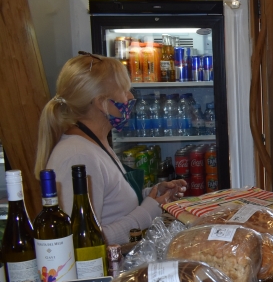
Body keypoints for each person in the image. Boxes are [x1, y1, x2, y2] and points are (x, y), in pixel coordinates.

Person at [35, 52, 186, 245]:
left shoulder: (95, 143)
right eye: (124, 91)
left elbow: (112, 203)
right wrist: (148, 211)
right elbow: (84, 241)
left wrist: (152, 194)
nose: (130, 97)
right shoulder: (77, 155)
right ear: (102, 103)